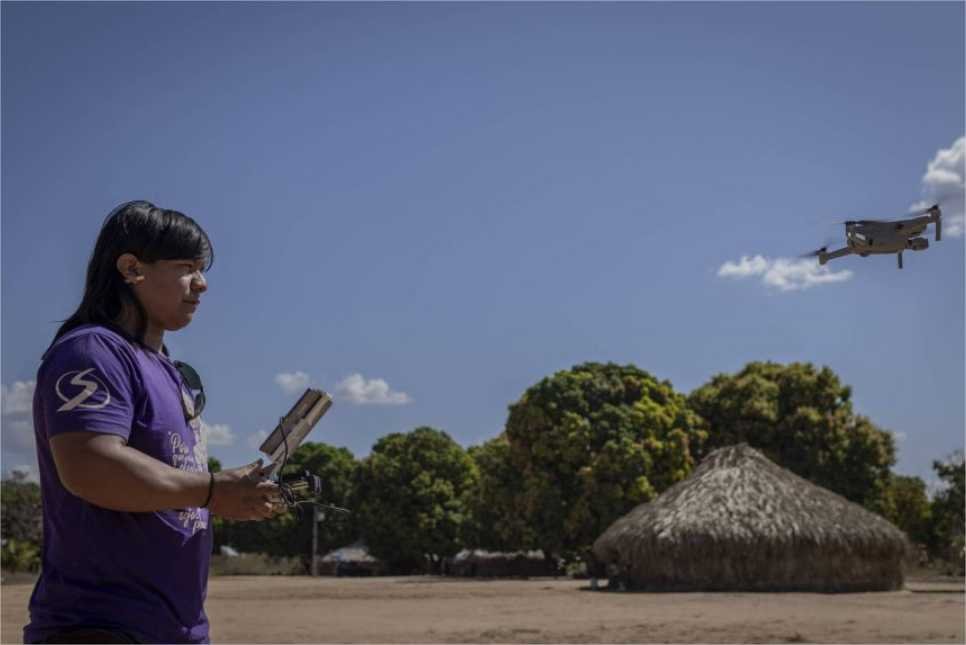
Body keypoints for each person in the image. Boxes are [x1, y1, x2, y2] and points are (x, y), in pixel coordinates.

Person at [23, 201, 280, 644]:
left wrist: (231, 495)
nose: (201, 284)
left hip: (174, 629)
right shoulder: (91, 351)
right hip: (101, 628)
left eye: (202, 269)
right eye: (186, 266)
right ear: (131, 268)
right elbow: (91, 467)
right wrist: (214, 490)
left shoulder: (165, 367)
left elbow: (174, 489)